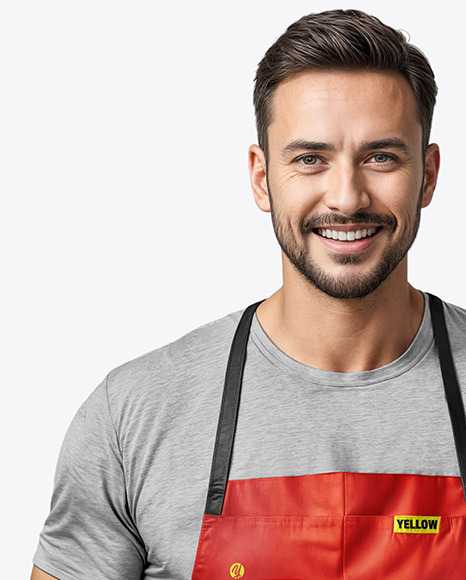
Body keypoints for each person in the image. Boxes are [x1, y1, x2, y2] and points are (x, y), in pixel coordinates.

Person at [31, 8, 466, 580]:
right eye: (310, 159)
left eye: (380, 157)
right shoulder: (135, 414)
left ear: (428, 175)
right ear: (262, 178)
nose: (347, 196)